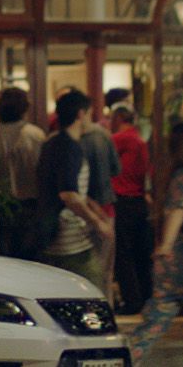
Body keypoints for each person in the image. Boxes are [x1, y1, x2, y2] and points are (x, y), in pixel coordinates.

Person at [128, 122, 183, 367]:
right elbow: (178, 211)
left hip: (175, 257)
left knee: (157, 319)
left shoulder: (171, 175)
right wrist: (166, 245)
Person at [26, 89, 113, 287]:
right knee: (91, 286)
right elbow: (69, 194)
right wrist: (97, 223)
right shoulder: (70, 147)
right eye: (90, 114)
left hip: (51, 234)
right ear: (81, 114)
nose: (91, 120)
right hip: (70, 238)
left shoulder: (52, 143)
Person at [0, 87, 46, 257]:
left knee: (2, 255)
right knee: (28, 256)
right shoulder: (35, 135)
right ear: (24, 108)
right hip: (29, 204)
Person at [109, 99, 154, 314]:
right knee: (141, 253)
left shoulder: (118, 139)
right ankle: (146, 296)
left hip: (121, 199)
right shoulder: (140, 141)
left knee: (123, 255)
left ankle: (132, 300)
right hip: (139, 200)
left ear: (117, 118)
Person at [81, 92, 122, 302]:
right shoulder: (104, 136)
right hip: (105, 207)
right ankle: (107, 311)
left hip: (79, 210)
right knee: (105, 269)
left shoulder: (68, 140)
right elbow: (116, 169)